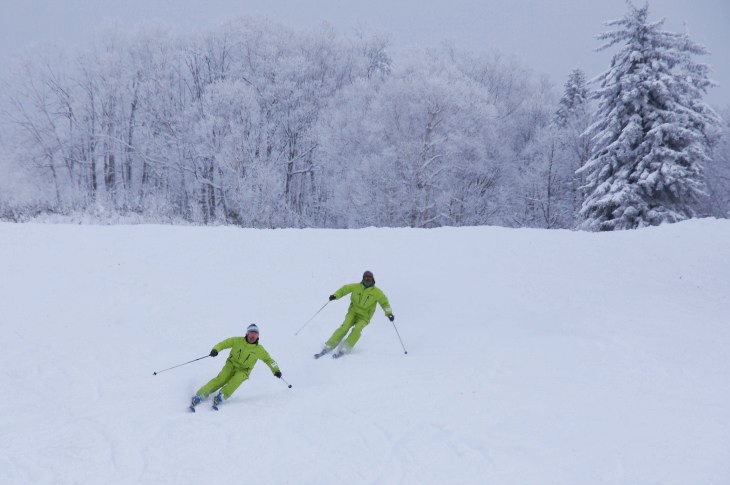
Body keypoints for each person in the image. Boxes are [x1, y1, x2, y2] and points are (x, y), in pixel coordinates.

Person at [190, 323, 282, 409]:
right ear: (247, 333)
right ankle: (200, 395)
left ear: (258, 336)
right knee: (221, 379)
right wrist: (216, 349)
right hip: (231, 365)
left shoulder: (259, 349)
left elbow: (269, 360)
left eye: (255, 334)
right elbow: (224, 343)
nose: (252, 336)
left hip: (244, 370)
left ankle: (221, 396)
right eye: (251, 333)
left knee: (235, 381)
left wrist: (276, 370)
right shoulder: (237, 341)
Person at [316, 270, 394, 359]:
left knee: (357, 330)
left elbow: (385, 303)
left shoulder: (377, 292)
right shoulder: (356, 287)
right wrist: (335, 295)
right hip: (352, 313)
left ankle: (345, 348)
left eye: (369, 279)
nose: (367, 280)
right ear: (363, 279)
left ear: (373, 280)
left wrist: (389, 313)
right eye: (366, 278)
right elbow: (344, 289)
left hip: (364, 317)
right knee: (344, 327)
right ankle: (329, 346)